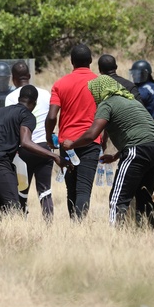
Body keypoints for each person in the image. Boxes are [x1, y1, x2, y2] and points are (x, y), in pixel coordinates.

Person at [62, 75, 154, 228]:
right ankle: (147, 234)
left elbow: (91, 134)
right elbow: (141, 133)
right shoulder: (132, 101)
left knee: (117, 199)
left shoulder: (107, 104)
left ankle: (114, 237)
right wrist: (116, 156)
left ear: (99, 91)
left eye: (93, 93)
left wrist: (72, 144)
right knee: (144, 197)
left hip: (137, 150)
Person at [0, 85, 63, 216]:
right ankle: (14, 233)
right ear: (34, 103)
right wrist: (54, 156)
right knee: (13, 207)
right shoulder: (28, 116)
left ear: (19, 98)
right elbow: (26, 142)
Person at [45, 44, 101, 221]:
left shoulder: (60, 84)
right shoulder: (100, 83)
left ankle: (74, 224)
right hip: (91, 141)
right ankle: (79, 225)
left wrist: (49, 136)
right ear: (91, 61)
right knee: (84, 188)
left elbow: (52, 115)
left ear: (71, 61)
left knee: (71, 187)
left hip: (67, 144)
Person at [3, 61, 55, 220]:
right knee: (45, 190)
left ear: (13, 79)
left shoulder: (11, 98)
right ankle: (48, 224)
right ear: (30, 76)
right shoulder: (45, 94)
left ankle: (21, 223)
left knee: (21, 190)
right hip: (44, 148)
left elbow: (11, 126)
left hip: (23, 149)